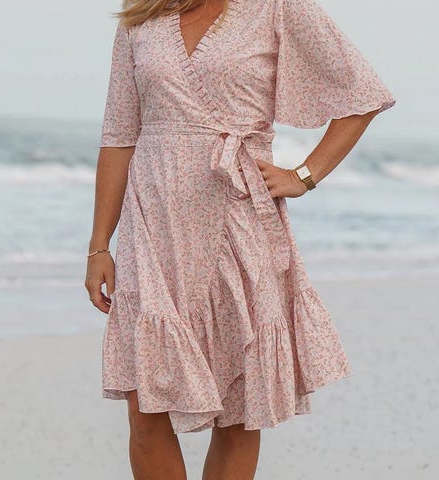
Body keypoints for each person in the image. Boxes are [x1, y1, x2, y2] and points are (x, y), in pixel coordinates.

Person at [84, 0, 396, 478]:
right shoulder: (141, 17)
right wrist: (99, 244)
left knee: (238, 414)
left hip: (238, 222)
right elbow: (119, 134)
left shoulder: (276, 8)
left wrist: (304, 175)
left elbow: (363, 93)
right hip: (152, 228)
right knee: (145, 411)